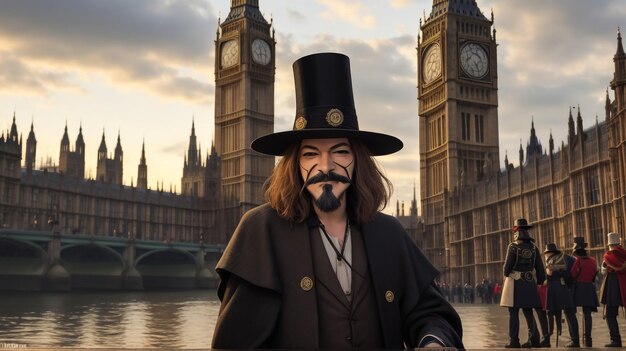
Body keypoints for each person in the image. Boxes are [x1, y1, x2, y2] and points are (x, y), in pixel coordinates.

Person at [211, 53, 463, 349]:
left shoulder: (388, 233)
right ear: (295, 164)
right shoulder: (260, 230)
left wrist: (432, 341)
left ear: (358, 161)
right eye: (310, 154)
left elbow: (430, 313)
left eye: (340, 152)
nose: (326, 166)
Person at [500, 218, 549, 348]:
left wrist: (506, 273)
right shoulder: (534, 248)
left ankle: (514, 341)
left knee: (514, 312)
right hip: (529, 283)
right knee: (528, 312)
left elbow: (506, 269)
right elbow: (540, 269)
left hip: (515, 284)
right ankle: (533, 339)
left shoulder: (513, 246)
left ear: (516, 232)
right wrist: (538, 283)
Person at [543, 243, 579, 347]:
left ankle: (573, 340)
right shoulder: (565, 258)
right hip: (565, 288)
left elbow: (551, 273)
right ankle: (575, 340)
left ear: (549, 253)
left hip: (556, 291)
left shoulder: (552, 260)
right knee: (569, 313)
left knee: (564, 313)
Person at [570, 236, 599, 347]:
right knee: (587, 314)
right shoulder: (593, 260)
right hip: (589, 288)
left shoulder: (578, 260)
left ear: (576, 251)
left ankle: (575, 339)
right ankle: (588, 339)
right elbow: (595, 273)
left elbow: (573, 274)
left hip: (579, 288)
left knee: (571, 311)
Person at [600, 232, 626, 347]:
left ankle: (616, 340)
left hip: (612, 285)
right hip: (623, 284)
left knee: (610, 313)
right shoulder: (624, 254)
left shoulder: (608, 256)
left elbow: (603, 271)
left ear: (609, 244)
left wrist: (605, 266)